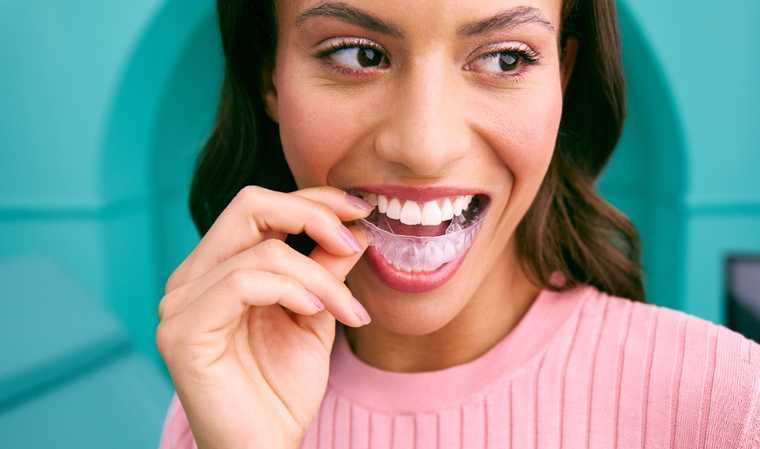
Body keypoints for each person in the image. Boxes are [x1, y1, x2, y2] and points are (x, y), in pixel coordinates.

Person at [155, 0, 760, 448]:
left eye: (504, 58)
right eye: (358, 54)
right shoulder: (214, 406)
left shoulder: (730, 404)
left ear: (564, 77)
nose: (424, 148)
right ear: (271, 79)